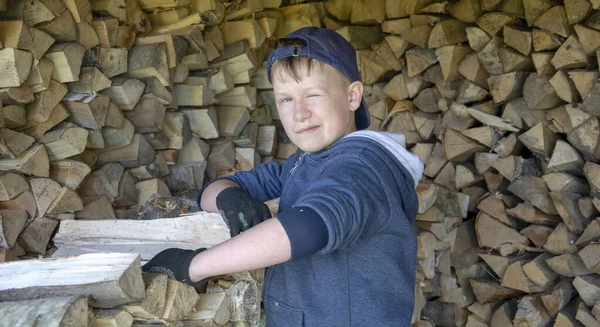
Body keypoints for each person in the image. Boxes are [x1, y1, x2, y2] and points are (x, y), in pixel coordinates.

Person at [142, 27, 424, 327]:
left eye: (313, 94)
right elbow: (213, 190)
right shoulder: (305, 162)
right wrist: (229, 197)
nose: (299, 113)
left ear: (353, 96)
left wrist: (194, 266)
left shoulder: (363, 167)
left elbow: (309, 227)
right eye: (285, 99)